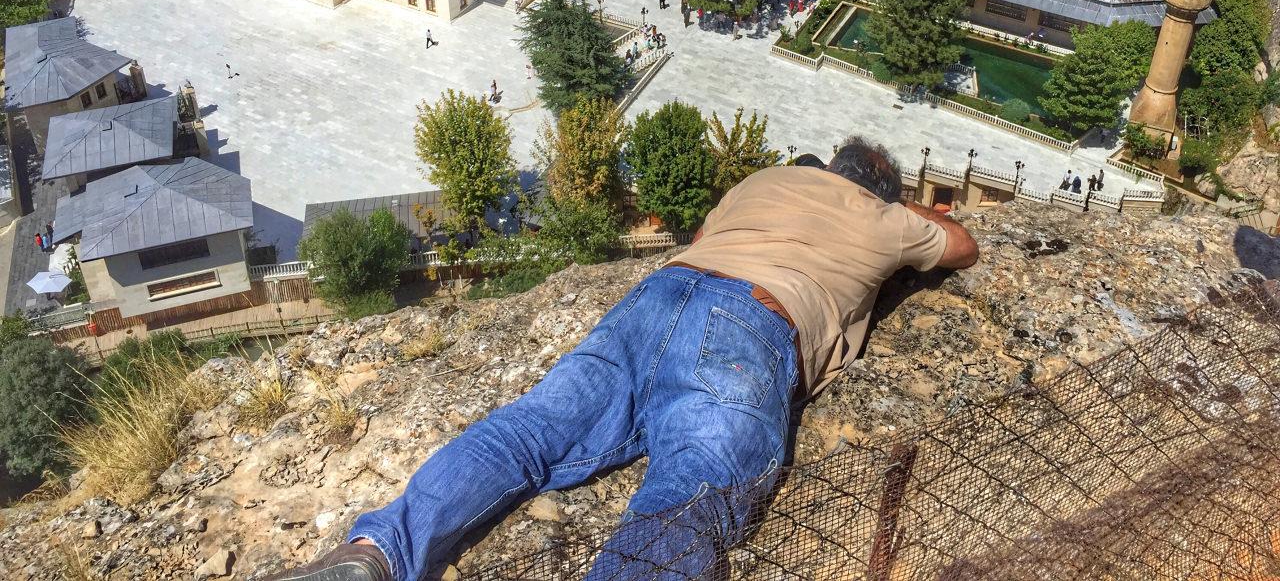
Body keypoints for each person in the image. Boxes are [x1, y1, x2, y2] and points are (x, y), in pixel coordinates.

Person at [264, 138, 979, 581]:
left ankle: (376, 556)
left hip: (658, 298)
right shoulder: (886, 217)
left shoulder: (762, 182)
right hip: (750, 325)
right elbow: (961, 245)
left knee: (530, 429)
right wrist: (908, 210)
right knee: (693, 489)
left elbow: (704, 233)